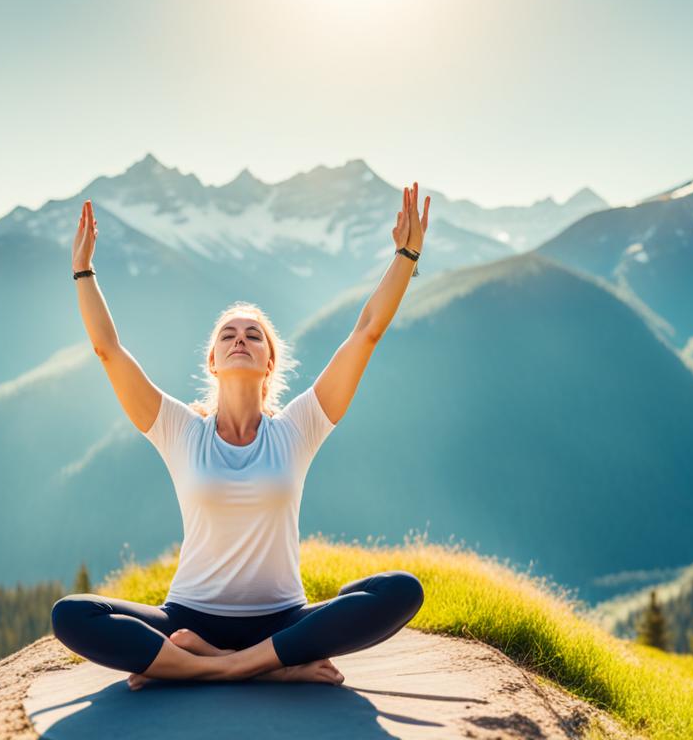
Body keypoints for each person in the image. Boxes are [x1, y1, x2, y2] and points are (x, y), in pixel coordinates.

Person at [52, 181, 432, 690]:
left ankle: (200, 666)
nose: (240, 339)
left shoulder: (299, 427)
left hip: (281, 619)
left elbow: (365, 332)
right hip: (188, 619)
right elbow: (108, 350)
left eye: (254, 335)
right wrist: (83, 270)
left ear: (269, 361)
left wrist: (406, 254)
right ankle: (256, 668)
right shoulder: (178, 429)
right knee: (72, 614)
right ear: (212, 360)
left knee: (400, 590)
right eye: (228, 334)